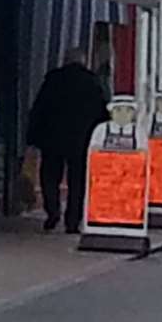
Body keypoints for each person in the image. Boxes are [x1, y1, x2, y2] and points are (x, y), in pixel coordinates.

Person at [29, 51, 109, 232]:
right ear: (83, 61)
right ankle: (72, 221)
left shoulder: (53, 80)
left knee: (49, 177)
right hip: (81, 139)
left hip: (52, 137)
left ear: (65, 61)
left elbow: (40, 108)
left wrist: (33, 136)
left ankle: (52, 212)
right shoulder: (92, 82)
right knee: (78, 181)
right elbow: (102, 113)